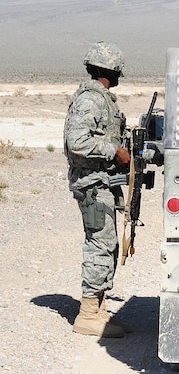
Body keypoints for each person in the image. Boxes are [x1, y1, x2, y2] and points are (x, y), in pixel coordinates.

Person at [64, 41, 131, 338]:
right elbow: (76, 142)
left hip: (101, 182)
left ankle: (99, 307)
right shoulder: (91, 100)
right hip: (92, 184)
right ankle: (88, 314)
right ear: (110, 70)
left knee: (108, 243)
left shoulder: (102, 99)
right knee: (100, 245)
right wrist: (114, 151)